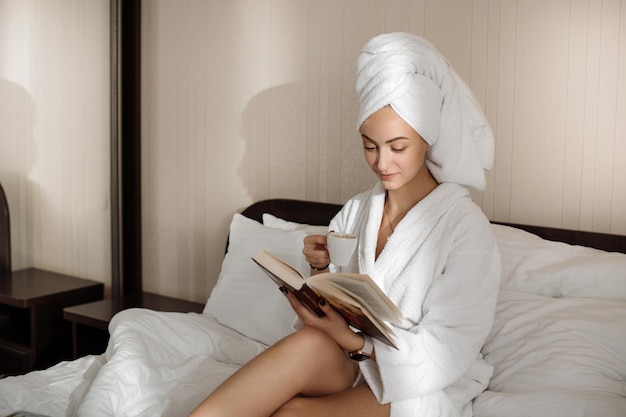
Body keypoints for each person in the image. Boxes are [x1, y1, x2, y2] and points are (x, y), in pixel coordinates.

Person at [189, 32, 500, 417]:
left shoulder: (465, 227)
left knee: (289, 412)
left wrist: (355, 343)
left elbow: (449, 348)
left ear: (428, 138)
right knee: (305, 348)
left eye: (397, 147)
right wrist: (318, 270)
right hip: (346, 355)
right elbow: (341, 296)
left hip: (418, 379)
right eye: (370, 146)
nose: (382, 162)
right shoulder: (357, 211)